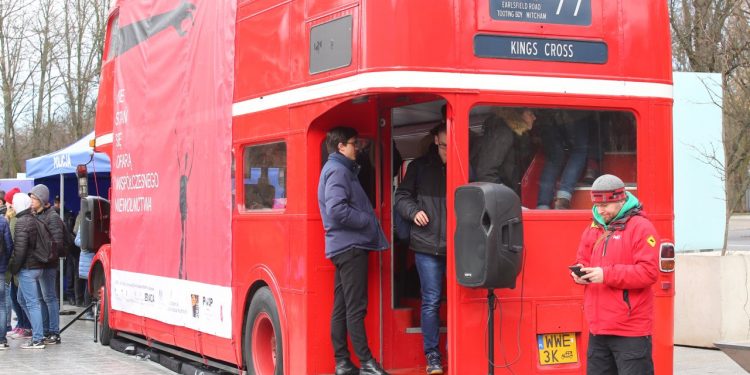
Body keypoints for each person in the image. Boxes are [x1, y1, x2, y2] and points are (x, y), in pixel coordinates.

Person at [317, 126, 390, 375]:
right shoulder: (338, 171)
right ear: (340, 147)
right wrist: (367, 220)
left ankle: (342, 362)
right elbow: (337, 209)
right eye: (353, 143)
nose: (356, 147)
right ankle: (367, 363)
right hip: (351, 247)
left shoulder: (335, 169)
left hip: (342, 246)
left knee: (341, 306)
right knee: (355, 307)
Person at [570, 174, 659, 374]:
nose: (600, 211)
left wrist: (605, 275)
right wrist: (579, 273)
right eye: (597, 205)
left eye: (606, 205)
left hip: (631, 331)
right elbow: (582, 259)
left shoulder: (641, 227)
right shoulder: (593, 227)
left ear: (622, 200)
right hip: (598, 328)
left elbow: (649, 272)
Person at [394, 123, 447, 374]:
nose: (448, 150)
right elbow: (401, 198)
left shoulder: (464, 163)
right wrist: (414, 212)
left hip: (459, 245)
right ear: (436, 140)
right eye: (444, 145)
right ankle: (433, 356)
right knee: (431, 301)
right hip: (427, 246)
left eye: (451, 144)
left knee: (464, 299)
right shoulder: (419, 167)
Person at [8, 192, 45, 349]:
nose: (13, 206)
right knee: (22, 299)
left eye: (14, 203)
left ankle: (37, 338)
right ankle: (38, 332)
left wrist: (14, 269)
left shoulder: (22, 222)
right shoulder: (32, 218)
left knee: (31, 303)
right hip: (35, 266)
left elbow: (20, 250)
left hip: (28, 268)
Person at [470, 107, 536, 196]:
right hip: (502, 198)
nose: (534, 117)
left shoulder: (515, 135)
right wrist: (506, 196)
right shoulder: (503, 133)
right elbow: (486, 172)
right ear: (518, 115)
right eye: (530, 114)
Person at [536, 110, 590, 209]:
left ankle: (543, 206)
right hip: (576, 112)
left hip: (547, 112)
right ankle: (563, 198)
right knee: (579, 151)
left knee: (554, 158)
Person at [29, 184, 62, 345]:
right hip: (41, 263)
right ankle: (47, 329)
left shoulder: (52, 217)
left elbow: (57, 242)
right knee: (43, 298)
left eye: (34, 198)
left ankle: (54, 332)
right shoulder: (38, 214)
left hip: (48, 264)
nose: (31, 201)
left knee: (50, 297)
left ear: (42, 199)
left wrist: (46, 257)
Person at [0, 193, 13, 349]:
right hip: (1, 269)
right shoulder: (3, 222)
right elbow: (9, 246)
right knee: (1, 305)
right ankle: (2, 339)